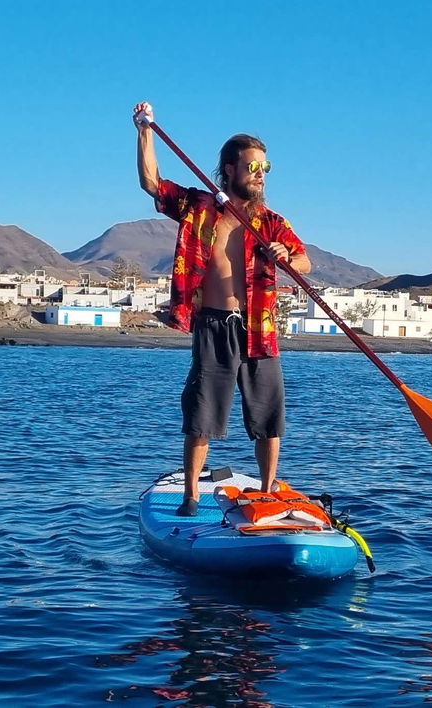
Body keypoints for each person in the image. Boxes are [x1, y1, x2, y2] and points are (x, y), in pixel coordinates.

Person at [133, 101, 311, 516]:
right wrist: (144, 131)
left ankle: (267, 490)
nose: (260, 175)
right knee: (201, 413)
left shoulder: (271, 223)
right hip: (213, 326)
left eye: (266, 168)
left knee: (268, 414)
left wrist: (284, 256)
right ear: (230, 169)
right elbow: (152, 183)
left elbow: (304, 263)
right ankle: (191, 495)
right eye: (253, 167)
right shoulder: (198, 207)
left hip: (259, 327)